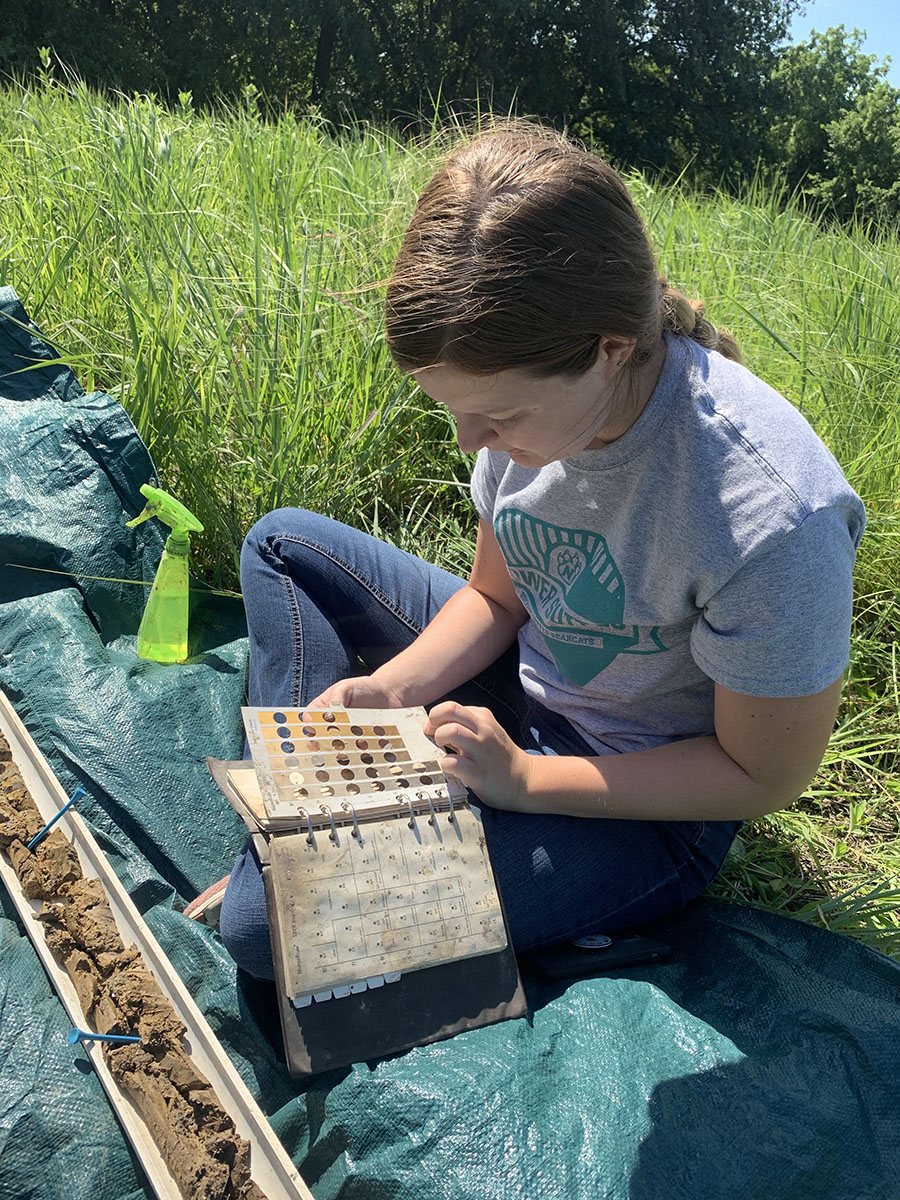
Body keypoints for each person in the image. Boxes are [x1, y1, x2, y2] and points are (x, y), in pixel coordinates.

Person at [213, 124, 865, 980]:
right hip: (527, 689)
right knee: (285, 544)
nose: (467, 442)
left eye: (498, 417)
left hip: (644, 804)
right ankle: (304, 820)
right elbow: (497, 599)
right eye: (452, 409)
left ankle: (299, 858)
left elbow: (756, 775)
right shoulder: (528, 393)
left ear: (610, 350)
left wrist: (521, 782)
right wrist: (390, 689)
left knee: (267, 933)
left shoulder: (772, 515)